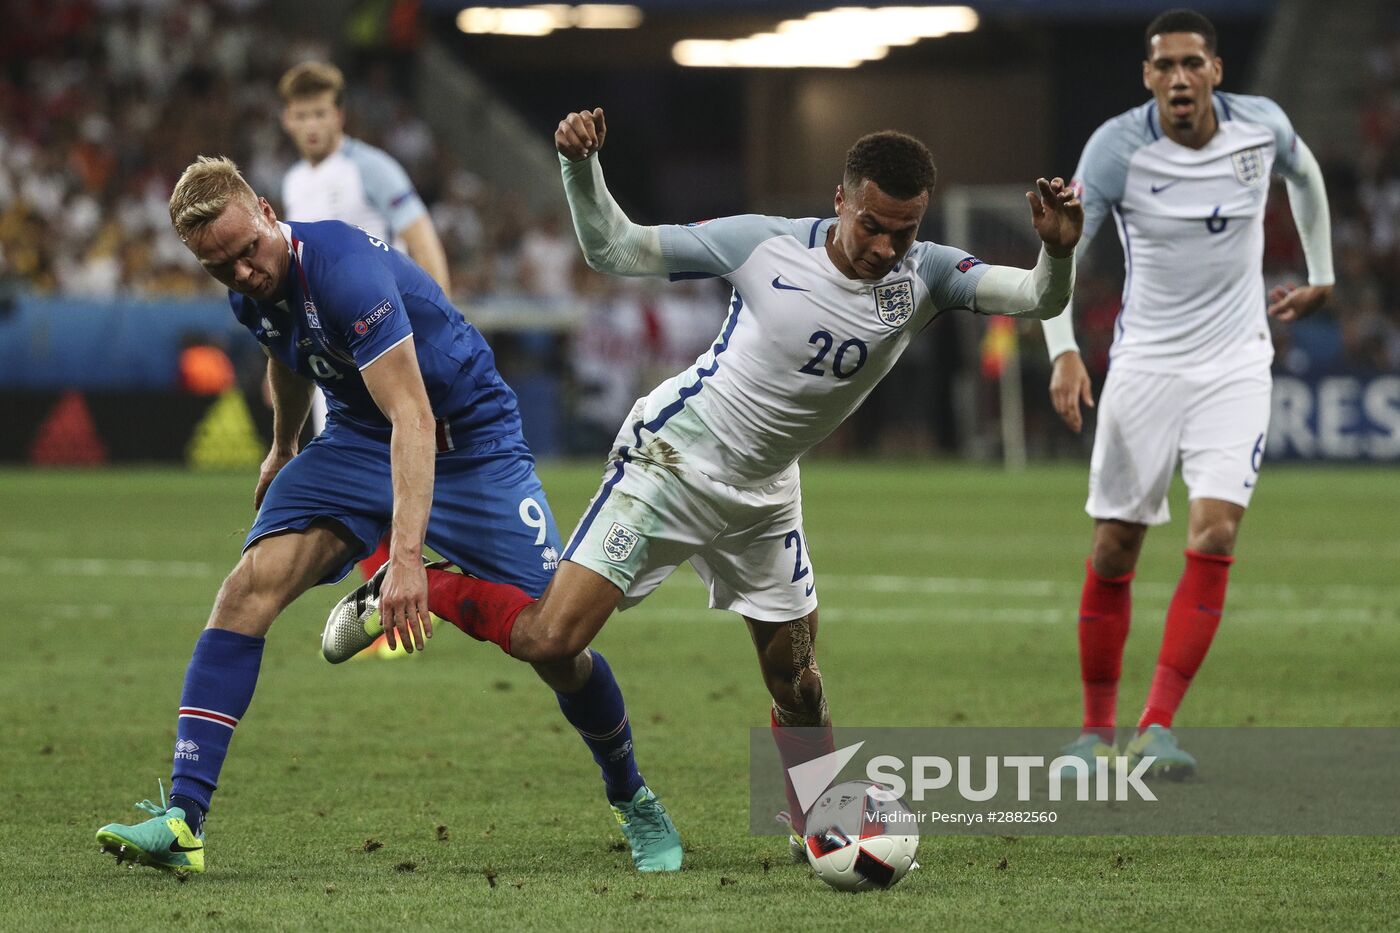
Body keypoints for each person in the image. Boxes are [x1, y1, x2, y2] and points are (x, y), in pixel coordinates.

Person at [327, 106, 1083, 853]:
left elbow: (1038, 297)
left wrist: (1056, 253)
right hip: (674, 462)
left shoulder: (931, 275)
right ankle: (422, 582)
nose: (887, 247)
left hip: (766, 494)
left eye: (904, 231)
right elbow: (614, 249)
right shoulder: (764, 245)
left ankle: (820, 821)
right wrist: (581, 167)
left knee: (798, 680)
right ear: (841, 201)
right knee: (550, 639)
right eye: (873, 226)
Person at [94, 156, 680, 876]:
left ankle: (633, 796)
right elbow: (284, 349)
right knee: (246, 590)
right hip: (358, 441)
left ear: (269, 213)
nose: (244, 272)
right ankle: (185, 820)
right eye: (222, 267)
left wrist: (405, 563)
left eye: (248, 250)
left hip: (469, 444)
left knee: (552, 643)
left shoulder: (344, 271)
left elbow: (414, 416)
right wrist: (282, 447)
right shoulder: (251, 293)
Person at [1039, 8, 1334, 776]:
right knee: (1115, 545)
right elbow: (1061, 253)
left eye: (1191, 63)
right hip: (1146, 366)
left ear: (1216, 71)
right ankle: (1092, 734)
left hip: (1237, 362)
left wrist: (1322, 271)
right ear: (1147, 77)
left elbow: (1306, 174)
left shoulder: (1261, 127)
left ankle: (1155, 727)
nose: (1178, 77)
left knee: (1216, 534)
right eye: (1164, 65)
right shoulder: (1115, 148)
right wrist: (1065, 350)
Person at [279, 60, 453, 654]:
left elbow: (422, 238)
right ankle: (385, 615)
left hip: (387, 341)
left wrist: (443, 331)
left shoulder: (371, 168)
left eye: (320, 112)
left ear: (340, 114)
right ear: (286, 120)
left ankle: (408, 602)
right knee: (365, 482)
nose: (311, 125)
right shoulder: (294, 182)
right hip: (337, 358)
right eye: (300, 115)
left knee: (392, 471)